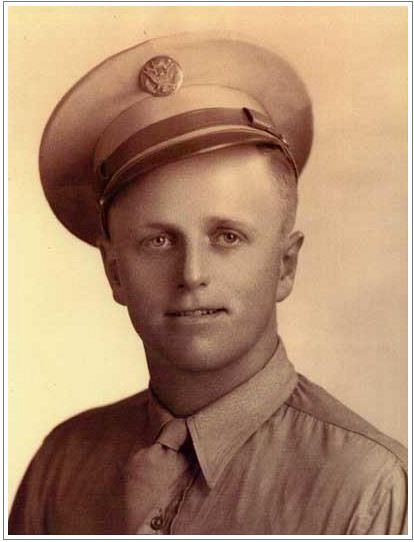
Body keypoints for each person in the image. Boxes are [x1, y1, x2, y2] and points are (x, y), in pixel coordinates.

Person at [9, 32, 407, 535]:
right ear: (114, 272)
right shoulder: (60, 468)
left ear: (285, 265)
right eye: (158, 241)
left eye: (227, 237)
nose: (192, 274)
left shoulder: (368, 490)